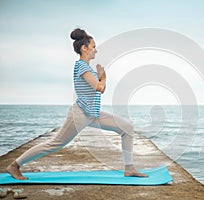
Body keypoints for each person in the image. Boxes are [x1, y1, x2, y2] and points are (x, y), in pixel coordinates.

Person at [6, 28, 148, 180]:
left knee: (126, 128)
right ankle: (15, 165)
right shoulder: (81, 66)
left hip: (93, 113)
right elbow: (99, 87)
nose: (96, 50)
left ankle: (129, 168)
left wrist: (101, 78)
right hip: (80, 114)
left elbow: (101, 90)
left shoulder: (88, 69)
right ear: (84, 48)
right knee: (55, 143)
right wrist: (103, 78)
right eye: (93, 47)